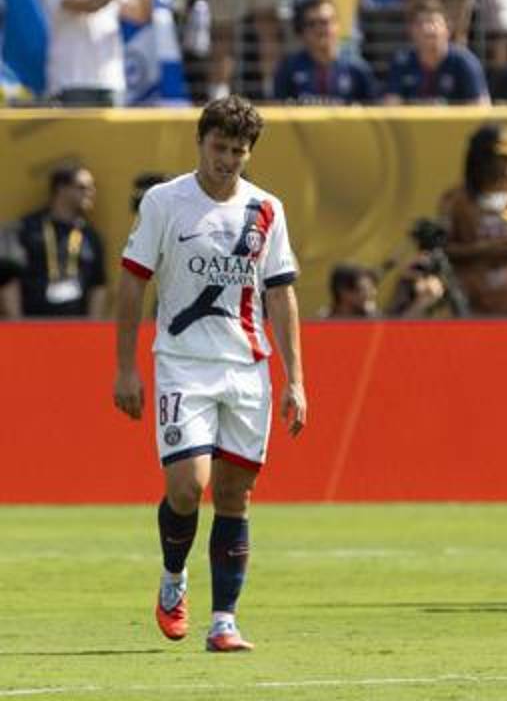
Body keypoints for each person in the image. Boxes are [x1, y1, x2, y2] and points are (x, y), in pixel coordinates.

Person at [112, 96, 307, 652]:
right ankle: (173, 579)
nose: (227, 160)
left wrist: (295, 379)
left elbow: (281, 294)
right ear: (199, 142)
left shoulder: (266, 209)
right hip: (183, 365)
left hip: (246, 369)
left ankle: (224, 621)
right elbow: (132, 282)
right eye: (219, 148)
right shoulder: (165, 202)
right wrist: (125, 368)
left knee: (234, 494)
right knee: (187, 487)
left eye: (238, 151)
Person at [438, 122, 507, 315]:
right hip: (475, 304)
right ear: (482, 160)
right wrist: (484, 249)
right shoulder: (455, 200)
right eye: (502, 158)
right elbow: (442, 250)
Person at [13, 164, 108, 318]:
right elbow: (10, 280)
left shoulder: (90, 235)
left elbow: (98, 285)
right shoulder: (27, 228)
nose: (91, 192)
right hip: (32, 324)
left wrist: (93, 326)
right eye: (82, 187)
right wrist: (16, 325)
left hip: (76, 326)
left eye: (92, 187)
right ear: (61, 188)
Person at [274, 0, 379, 103]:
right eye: (311, 24)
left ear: (337, 25)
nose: (319, 29)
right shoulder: (288, 69)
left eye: (325, 22)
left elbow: (373, 109)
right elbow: (276, 107)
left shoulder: (357, 69)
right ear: (301, 31)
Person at [384, 0, 490, 103]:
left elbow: (481, 107)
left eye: (433, 22)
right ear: (411, 31)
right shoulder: (402, 62)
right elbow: (391, 105)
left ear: (447, 29)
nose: (427, 28)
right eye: (420, 23)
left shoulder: (464, 61)